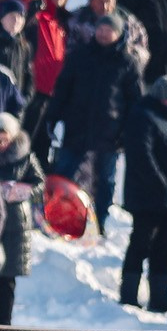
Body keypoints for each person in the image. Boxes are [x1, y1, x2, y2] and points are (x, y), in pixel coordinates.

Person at [47, 11, 143, 225]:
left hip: (110, 132)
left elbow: (135, 101)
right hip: (77, 126)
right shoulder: (80, 55)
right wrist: (53, 116)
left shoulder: (127, 62)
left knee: (106, 181)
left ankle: (100, 220)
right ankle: (55, 216)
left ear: (119, 34)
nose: (104, 34)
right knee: (64, 172)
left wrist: (128, 132)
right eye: (101, 28)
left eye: (110, 30)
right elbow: (62, 88)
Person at [120, 76, 167, 313]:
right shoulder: (144, 116)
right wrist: (162, 185)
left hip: (166, 198)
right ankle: (128, 295)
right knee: (141, 243)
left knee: (163, 246)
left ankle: (159, 296)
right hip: (147, 196)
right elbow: (142, 156)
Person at [0, 114, 43, 325]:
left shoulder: (25, 156)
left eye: (5, 139)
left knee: (8, 279)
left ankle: (4, 328)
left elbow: (39, 183)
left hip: (16, 223)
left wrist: (22, 191)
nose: (2, 143)